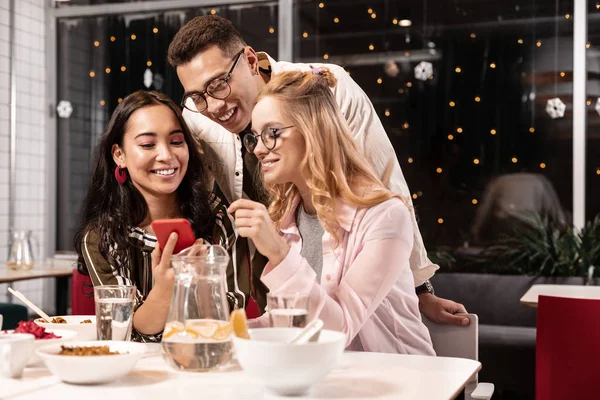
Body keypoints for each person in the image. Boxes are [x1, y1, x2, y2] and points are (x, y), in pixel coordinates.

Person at [167, 15, 468, 326]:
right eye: (198, 96)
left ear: (250, 60)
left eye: (219, 84)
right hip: (281, 246)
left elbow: (385, 180)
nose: (213, 106)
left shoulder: (326, 88)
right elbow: (195, 195)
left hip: (347, 255)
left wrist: (419, 287)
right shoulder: (198, 117)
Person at [228, 67, 434, 354]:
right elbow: (290, 323)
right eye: (255, 137)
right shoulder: (288, 219)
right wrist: (225, 332)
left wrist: (279, 254)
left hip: (400, 382)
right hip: (327, 380)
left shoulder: (385, 216)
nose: (259, 149)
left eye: (271, 133)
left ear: (315, 130)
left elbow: (339, 329)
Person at [74, 90, 241, 342]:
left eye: (176, 141)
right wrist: (165, 287)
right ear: (119, 155)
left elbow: (229, 316)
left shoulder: (217, 215)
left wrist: (201, 279)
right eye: (147, 144)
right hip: (135, 370)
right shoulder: (101, 237)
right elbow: (126, 330)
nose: (166, 155)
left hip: (206, 361)